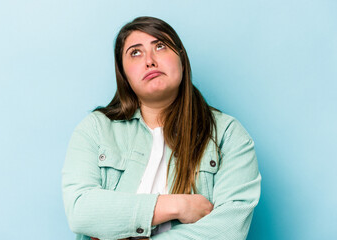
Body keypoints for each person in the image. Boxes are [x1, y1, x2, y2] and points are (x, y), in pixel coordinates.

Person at [62, 16, 261, 240]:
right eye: (135, 52)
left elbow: (229, 229)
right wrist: (177, 205)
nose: (150, 60)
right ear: (124, 75)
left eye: (160, 46)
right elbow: (80, 210)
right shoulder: (96, 129)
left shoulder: (227, 135)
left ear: (182, 60)